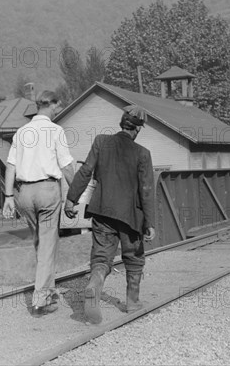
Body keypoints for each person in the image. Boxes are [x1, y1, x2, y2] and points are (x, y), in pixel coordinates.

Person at [64, 105, 156, 324]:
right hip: (130, 217)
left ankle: (94, 284)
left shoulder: (101, 142)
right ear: (138, 129)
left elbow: (85, 170)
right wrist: (149, 222)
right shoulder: (143, 154)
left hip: (103, 211)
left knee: (102, 257)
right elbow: (146, 190)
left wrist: (71, 198)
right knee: (134, 257)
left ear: (121, 124)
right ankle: (132, 303)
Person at [2, 90, 75, 317]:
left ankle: (49, 292)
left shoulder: (21, 132)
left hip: (23, 193)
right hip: (47, 190)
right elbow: (66, 166)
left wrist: (8, 197)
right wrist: (77, 191)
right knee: (47, 244)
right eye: (57, 106)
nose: (58, 110)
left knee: (40, 242)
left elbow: (11, 166)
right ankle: (40, 299)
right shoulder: (56, 131)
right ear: (51, 105)